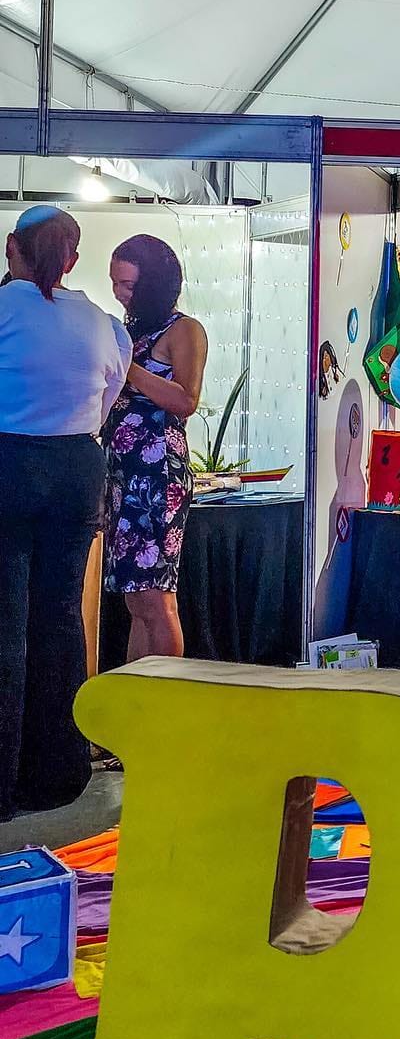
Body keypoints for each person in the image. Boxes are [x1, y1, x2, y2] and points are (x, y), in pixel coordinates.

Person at [0, 207, 130, 822]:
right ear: (73, 258)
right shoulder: (101, 322)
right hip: (78, 467)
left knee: (5, 622)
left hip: (9, 462)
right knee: (59, 619)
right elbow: (107, 399)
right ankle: (57, 774)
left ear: (12, 248)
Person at [104, 234, 208, 662]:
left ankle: (167, 690)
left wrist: (127, 369)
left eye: (128, 285)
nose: (119, 293)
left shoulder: (184, 329)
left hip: (158, 472)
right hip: (124, 474)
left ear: (154, 283)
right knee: (136, 600)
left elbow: (186, 399)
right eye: (114, 283)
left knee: (156, 598)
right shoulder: (131, 330)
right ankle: (137, 689)